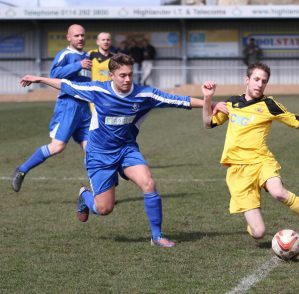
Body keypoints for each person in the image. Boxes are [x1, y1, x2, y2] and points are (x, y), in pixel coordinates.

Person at [19, 53, 227, 247]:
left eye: (130, 75)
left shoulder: (145, 94)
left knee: (148, 183)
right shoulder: (98, 91)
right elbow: (66, 84)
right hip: (99, 155)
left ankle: (157, 236)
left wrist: (213, 102)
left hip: (127, 150)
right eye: (122, 75)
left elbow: (180, 101)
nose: (128, 79)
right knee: (104, 209)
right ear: (111, 75)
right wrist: (39, 79)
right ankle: (84, 196)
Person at [201, 62, 299, 241]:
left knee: (278, 192)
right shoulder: (232, 103)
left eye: (263, 81)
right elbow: (208, 123)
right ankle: (253, 226)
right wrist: (208, 99)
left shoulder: (269, 104)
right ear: (247, 80)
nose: (259, 84)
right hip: (238, 171)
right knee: (259, 233)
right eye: (256, 79)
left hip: (262, 161)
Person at [11, 24, 92, 192]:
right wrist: (78, 65)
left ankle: (99, 191)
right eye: (76, 35)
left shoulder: (86, 56)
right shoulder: (66, 55)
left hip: (84, 108)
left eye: (82, 35)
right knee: (57, 147)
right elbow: (54, 75)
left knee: (91, 150)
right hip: (68, 107)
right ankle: (22, 170)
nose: (80, 38)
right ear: (68, 38)